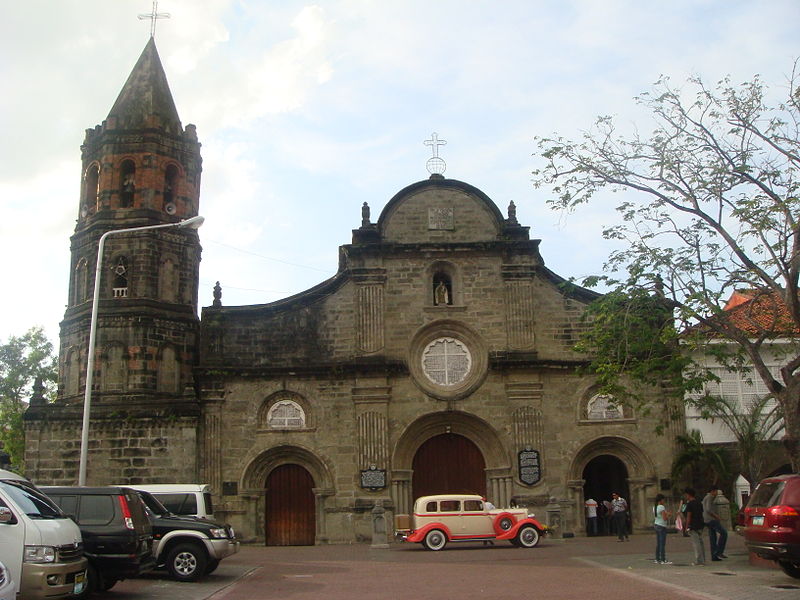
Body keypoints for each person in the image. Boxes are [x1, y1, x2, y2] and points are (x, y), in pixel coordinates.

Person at [702, 487, 728, 561]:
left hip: (707, 519)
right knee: (724, 533)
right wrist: (716, 516)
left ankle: (714, 555)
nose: (716, 493)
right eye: (716, 491)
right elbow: (708, 509)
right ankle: (719, 551)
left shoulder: (706, 498)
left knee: (713, 537)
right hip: (711, 519)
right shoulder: (710, 497)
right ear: (713, 491)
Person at [683, 487, 706, 566]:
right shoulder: (699, 502)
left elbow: (689, 516)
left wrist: (686, 526)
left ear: (688, 495)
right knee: (700, 542)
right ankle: (703, 559)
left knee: (696, 544)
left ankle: (699, 560)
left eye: (686, 495)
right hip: (700, 524)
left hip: (693, 525)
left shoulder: (690, 504)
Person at [653, 494, 672, 564]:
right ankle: (663, 559)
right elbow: (664, 518)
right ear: (661, 500)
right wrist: (669, 515)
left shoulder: (655, 507)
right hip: (662, 525)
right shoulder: (661, 507)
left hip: (656, 524)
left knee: (658, 543)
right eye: (663, 500)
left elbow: (660, 515)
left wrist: (667, 514)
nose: (664, 501)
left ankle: (657, 558)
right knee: (662, 543)